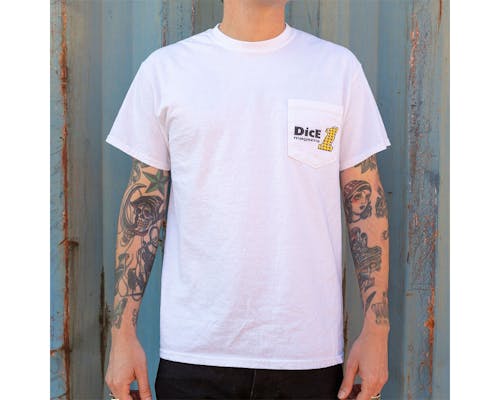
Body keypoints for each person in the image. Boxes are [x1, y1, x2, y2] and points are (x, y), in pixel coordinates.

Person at [104, 0, 391, 399]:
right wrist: (122, 335)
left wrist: (377, 332)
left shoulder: (337, 70)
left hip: (307, 354)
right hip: (195, 352)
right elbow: (143, 207)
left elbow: (365, 204)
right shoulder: (166, 71)